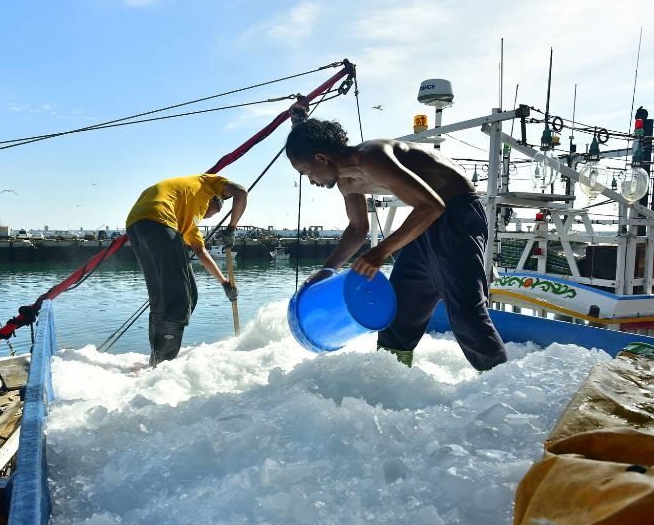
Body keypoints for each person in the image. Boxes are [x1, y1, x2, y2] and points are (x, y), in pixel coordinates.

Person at [285, 118, 507, 372]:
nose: (310, 180)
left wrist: (380, 252)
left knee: (467, 317)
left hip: (457, 215)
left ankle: (501, 386)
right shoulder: (347, 182)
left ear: (322, 158)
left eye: (306, 172)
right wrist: (326, 271)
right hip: (424, 226)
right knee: (398, 319)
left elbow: (432, 206)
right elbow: (358, 230)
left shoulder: (372, 157)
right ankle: (391, 385)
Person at [125, 173, 248, 366]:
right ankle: (163, 365)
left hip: (136, 223)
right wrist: (232, 228)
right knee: (182, 298)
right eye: (213, 212)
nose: (209, 217)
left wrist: (224, 283)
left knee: (161, 298)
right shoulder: (209, 183)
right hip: (159, 218)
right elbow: (241, 192)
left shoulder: (188, 222)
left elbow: (202, 253)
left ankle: (156, 359)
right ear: (213, 199)